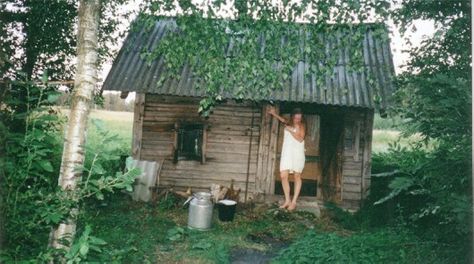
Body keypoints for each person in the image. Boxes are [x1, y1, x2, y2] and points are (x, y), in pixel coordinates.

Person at [268, 106, 306, 211]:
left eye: (300, 118)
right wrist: (273, 113)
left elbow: (300, 139)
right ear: (293, 116)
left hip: (297, 153)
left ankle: (293, 202)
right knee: (283, 175)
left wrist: (291, 131)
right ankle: (287, 200)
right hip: (287, 152)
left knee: (297, 175)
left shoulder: (302, 125)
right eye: (296, 118)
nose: (298, 120)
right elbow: (282, 120)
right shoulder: (288, 122)